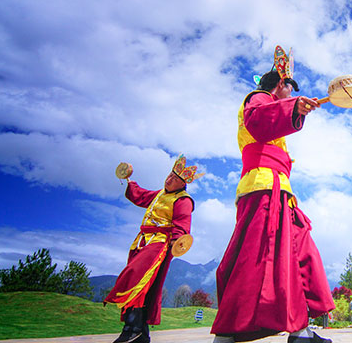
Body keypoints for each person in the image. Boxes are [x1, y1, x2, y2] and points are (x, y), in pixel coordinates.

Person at [211, 46, 334, 343]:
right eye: (290, 89)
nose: (292, 96)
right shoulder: (258, 99)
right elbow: (258, 119)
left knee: (298, 252)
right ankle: (228, 331)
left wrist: (292, 112)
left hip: (280, 189)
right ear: (279, 84)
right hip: (262, 187)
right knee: (255, 257)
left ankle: (300, 328)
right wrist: (293, 109)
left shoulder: (273, 106)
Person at [105, 155, 202, 343]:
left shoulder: (184, 200)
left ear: (182, 184)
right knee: (142, 284)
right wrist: (129, 180)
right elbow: (141, 196)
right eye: (169, 175)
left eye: (174, 179)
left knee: (137, 277)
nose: (169, 179)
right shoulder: (159, 194)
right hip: (141, 242)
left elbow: (182, 226)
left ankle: (133, 329)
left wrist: (175, 244)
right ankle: (136, 330)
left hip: (159, 243)